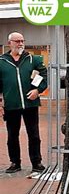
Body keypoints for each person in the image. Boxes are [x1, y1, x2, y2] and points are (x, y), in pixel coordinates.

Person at [0, 32, 47, 173]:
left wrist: (37, 91)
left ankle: (36, 162)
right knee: (12, 135)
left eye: (22, 41)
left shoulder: (33, 59)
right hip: (11, 105)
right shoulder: (2, 61)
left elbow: (43, 75)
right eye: (17, 41)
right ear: (10, 43)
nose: (20, 44)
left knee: (34, 134)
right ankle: (15, 162)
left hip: (30, 104)